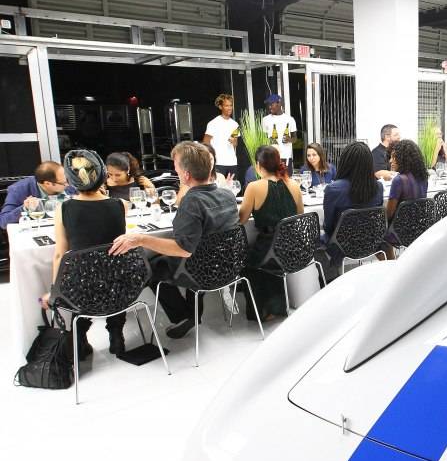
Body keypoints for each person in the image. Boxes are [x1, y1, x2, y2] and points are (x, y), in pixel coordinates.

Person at [109, 142, 238, 339]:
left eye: (176, 166)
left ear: (186, 174)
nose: (174, 169)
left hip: (203, 271)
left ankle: (183, 316)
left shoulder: (192, 201)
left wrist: (141, 239)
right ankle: (191, 313)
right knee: (167, 261)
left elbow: (183, 249)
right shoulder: (227, 194)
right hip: (227, 266)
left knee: (151, 267)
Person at [40, 150, 127, 357]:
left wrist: (54, 291)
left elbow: (60, 254)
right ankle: (116, 335)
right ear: (102, 175)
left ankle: (79, 339)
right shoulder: (120, 205)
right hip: (120, 285)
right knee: (111, 276)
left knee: (82, 279)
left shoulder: (64, 209)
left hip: (84, 287)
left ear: (71, 180)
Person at [238, 145, 304, 321]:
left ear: (258, 165)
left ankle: (265, 310)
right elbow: (300, 215)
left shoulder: (254, 187)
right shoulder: (294, 185)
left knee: (247, 261)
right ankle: (277, 305)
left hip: (270, 247)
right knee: (265, 259)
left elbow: (241, 220)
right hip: (294, 247)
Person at [321, 142, 384, 245]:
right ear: (369, 163)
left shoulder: (333, 189)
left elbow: (328, 226)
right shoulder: (379, 187)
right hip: (369, 242)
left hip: (340, 245)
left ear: (345, 162)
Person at [0, 161, 71, 229]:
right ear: (47, 183)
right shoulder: (19, 189)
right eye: (64, 183)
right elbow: (3, 222)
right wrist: (24, 208)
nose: (68, 185)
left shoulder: (69, 185)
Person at [386, 140, 429, 223]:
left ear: (403, 159)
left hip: (399, 228)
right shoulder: (423, 178)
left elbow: (389, 214)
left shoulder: (399, 180)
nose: (390, 161)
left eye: (394, 157)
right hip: (420, 226)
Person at [202, 93, 240, 182]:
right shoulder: (213, 123)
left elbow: (235, 144)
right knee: (218, 187)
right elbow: (205, 143)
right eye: (226, 105)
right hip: (218, 163)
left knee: (233, 187)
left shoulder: (235, 124)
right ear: (220, 107)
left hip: (232, 162)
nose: (229, 108)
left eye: (231, 105)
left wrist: (233, 141)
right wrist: (210, 160)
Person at [261, 94, 297, 171]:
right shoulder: (265, 120)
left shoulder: (290, 119)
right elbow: (263, 138)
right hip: (271, 157)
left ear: (279, 103)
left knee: (286, 178)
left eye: (271, 104)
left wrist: (289, 139)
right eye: (268, 105)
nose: (269, 107)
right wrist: (269, 140)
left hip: (286, 157)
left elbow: (295, 138)